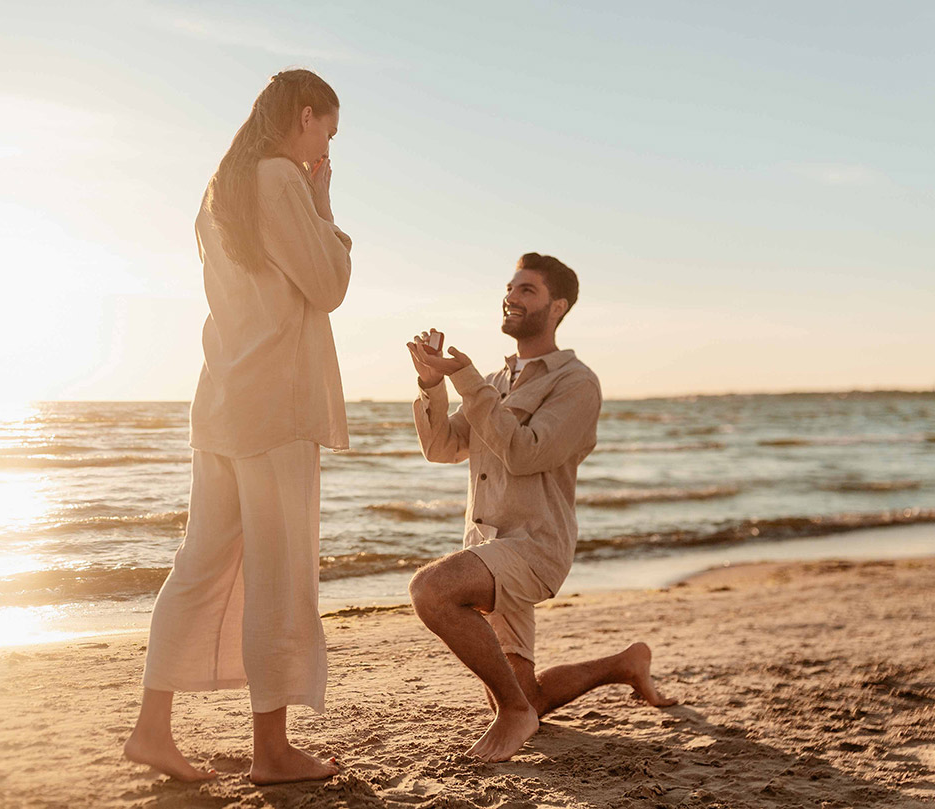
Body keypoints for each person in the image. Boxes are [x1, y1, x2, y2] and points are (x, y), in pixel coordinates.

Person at [123, 69, 351, 785]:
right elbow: (331, 283)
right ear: (306, 116)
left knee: (198, 564)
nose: (325, 148)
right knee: (281, 578)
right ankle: (272, 750)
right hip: (275, 406)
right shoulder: (282, 179)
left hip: (221, 399)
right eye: (328, 132)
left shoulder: (218, 190)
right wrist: (322, 201)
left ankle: (152, 727)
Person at [405, 252, 676, 763]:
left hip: (533, 549)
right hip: (488, 546)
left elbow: (526, 453)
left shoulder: (576, 383)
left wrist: (467, 381)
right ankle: (625, 664)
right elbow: (442, 446)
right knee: (528, 692)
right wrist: (432, 382)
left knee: (431, 590)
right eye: (510, 288)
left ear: (558, 306)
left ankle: (514, 715)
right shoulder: (496, 381)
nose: (511, 297)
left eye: (526, 290)